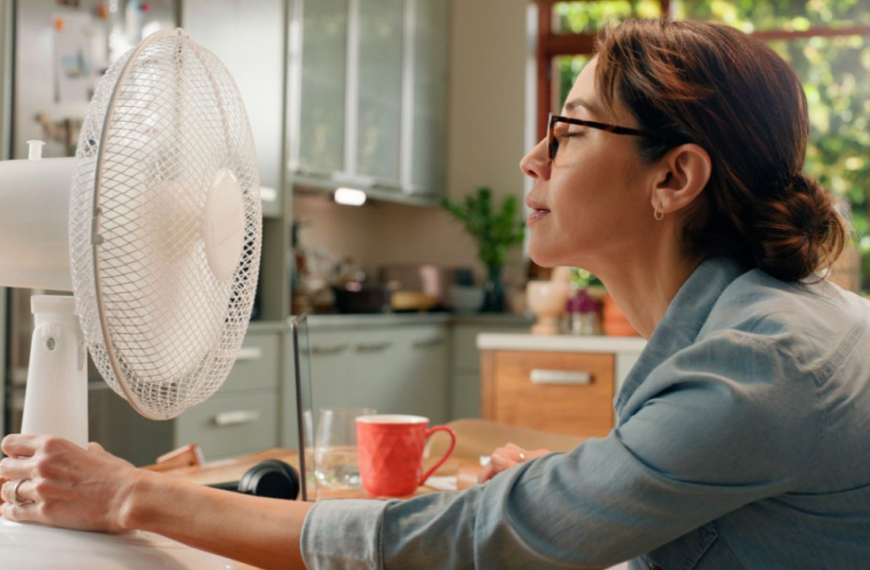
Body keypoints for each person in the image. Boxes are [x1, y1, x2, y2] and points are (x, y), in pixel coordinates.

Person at [3, 18, 870, 569]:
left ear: (674, 177)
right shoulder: (755, 323)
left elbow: (468, 540)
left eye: (567, 131)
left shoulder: (756, 368)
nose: (532, 159)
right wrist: (588, 489)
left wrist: (132, 494)